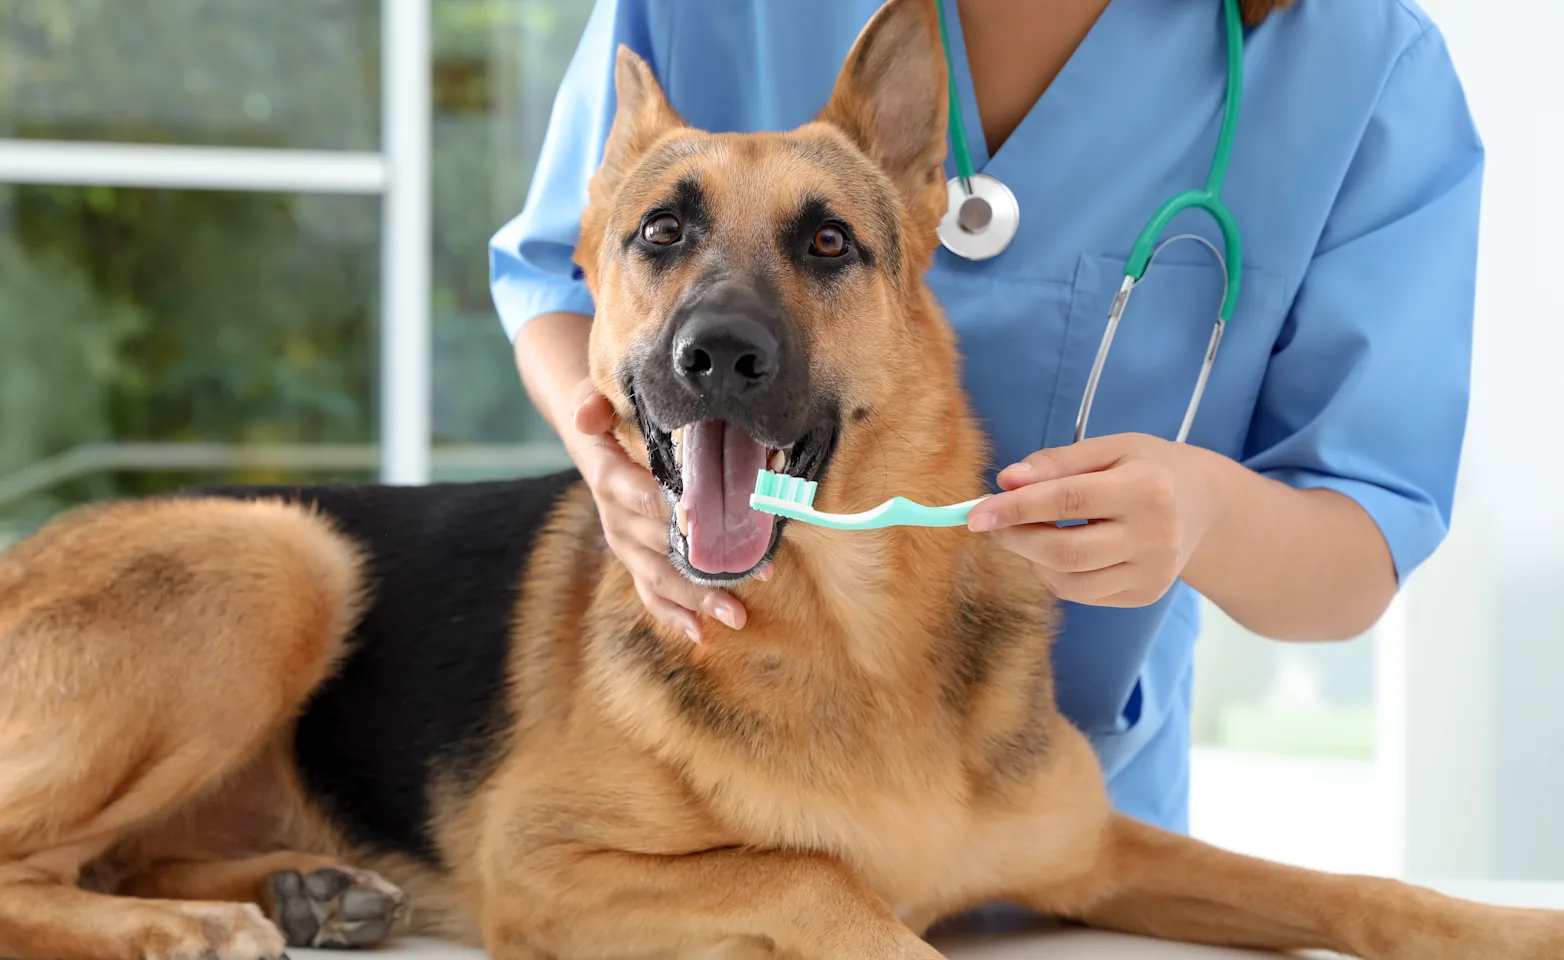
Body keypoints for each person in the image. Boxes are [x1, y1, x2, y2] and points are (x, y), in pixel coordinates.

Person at [488, 0, 1483, 833]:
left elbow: (1360, 543)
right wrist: (612, 457)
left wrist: (1207, 514)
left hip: (1058, 836)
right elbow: (559, 282)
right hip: (716, 813)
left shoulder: (1362, 66)